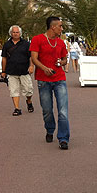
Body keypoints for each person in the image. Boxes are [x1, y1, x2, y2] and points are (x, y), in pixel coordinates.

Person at [30, 16, 70, 150]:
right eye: (60, 26)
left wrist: (61, 62)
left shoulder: (61, 42)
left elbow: (65, 59)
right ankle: (50, 129)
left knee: (63, 111)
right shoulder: (37, 39)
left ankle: (63, 138)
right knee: (47, 110)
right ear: (53, 27)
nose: (62, 29)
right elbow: (34, 58)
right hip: (43, 80)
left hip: (59, 79)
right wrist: (44, 69)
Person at [1, 25, 35, 116]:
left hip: (24, 71)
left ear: (20, 33)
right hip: (11, 71)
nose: (15, 34)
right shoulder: (7, 45)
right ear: (11, 33)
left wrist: (31, 66)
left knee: (28, 90)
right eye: (14, 32)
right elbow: (4, 58)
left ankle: (29, 101)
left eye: (17, 32)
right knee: (14, 90)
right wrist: (3, 71)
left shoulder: (26, 44)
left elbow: (31, 56)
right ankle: (17, 108)